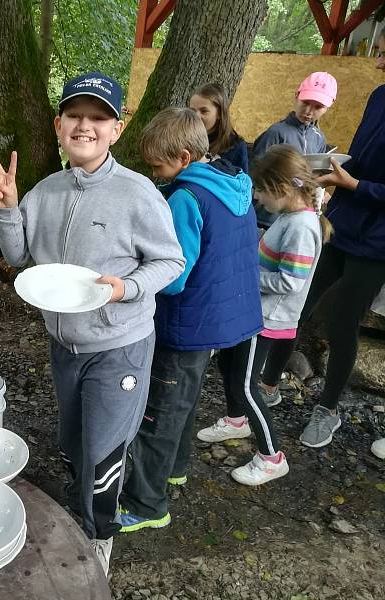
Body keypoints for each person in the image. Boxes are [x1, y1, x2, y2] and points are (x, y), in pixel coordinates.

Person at [0, 72, 185, 575]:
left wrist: (127, 286)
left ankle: (98, 538)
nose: (85, 126)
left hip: (120, 342)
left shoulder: (137, 192)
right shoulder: (47, 190)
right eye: (75, 115)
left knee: (103, 447)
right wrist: (9, 209)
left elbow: (170, 261)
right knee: (75, 439)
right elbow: (19, 258)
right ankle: (83, 507)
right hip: (64, 342)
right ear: (58, 125)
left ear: (116, 130)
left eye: (98, 118)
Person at [118, 107, 260, 529]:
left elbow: (174, 275)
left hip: (186, 320)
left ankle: (146, 505)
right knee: (184, 398)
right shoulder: (232, 184)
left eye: (159, 165)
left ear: (182, 156)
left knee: (157, 413)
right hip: (220, 319)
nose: (155, 173)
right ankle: (175, 468)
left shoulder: (186, 197)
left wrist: (133, 280)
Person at [258, 33, 385, 451]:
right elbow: (363, 161)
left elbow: (368, 182)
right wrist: (335, 171)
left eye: (384, 53)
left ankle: (328, 408)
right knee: (299, 303)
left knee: (342, 321)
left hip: (377, 242)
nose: (379, 62)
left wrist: (358, 185)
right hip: (344, 223)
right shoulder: (379, 97)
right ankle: (269, 384)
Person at [198, 146, 331, 484]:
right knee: (228, 366)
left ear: (282, 188)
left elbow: (290, 281)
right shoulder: (289, 217)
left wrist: (244, 274)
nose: (257, 198)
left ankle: (272, 456)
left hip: (268, 321)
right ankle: (236, 420)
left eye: (260, 190)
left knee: (245, 385)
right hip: (254, 313)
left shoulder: (301, 226)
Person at [252, 71, 338, 228]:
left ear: (328, 107)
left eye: (318, 106)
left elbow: (313, 178)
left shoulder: (319, 138)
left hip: (297, 217)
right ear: (296, 95)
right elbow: (255, 175)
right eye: (305, 102)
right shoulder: (276, 133)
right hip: (266, 218)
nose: (309, 111)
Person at [189, 82, 249, 172]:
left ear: (220, 113)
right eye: (192, 111)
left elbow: (242, 183)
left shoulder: (235, 146)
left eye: (204, 111)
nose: (196, 116)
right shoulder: (185, 137)